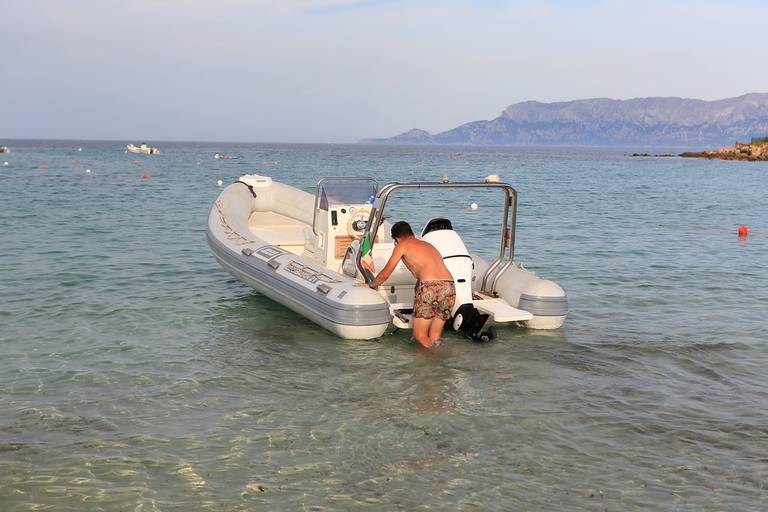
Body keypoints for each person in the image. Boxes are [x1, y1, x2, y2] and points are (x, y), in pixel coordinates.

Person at [369, 221, 455, 348]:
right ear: (413, 233)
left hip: (429, 287)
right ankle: (439, 360)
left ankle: (435, 362)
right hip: (449, 287)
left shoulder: (402, 245)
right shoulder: (427, 245)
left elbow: (385, 274)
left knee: (420, 336)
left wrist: (371, 285)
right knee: (435, 337)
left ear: (396, 238)